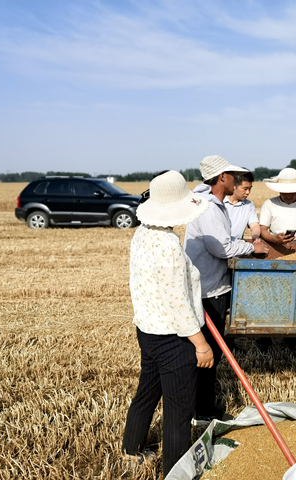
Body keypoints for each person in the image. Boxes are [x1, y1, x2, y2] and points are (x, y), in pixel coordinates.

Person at [122, 170, 213, 476]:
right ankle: (176, 471)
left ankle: (131, 451)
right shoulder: (168, 245)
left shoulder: (142, 232)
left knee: (147, 391)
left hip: (147, 330)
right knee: (179, 410)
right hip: (174, 338)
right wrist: (201, 345)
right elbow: (178, 304)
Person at [184, 155, 269, 421]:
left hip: (210, 285)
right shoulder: (208, 207)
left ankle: (200, 407)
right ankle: (202, 412)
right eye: (233, 175)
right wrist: (252, 248)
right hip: (208, 290)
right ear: (223, 178)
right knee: (208, 354)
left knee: (211, 354)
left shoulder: (210, 202)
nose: (237, 181)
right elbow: (221, 248)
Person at [259, 168, 296, 249]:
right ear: (279, 190)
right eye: (285, 192)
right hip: (274, 246)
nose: (289, 196)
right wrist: (275, 239)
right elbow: (262, 230)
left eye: (292, 192)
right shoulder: (269, 204)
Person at [224, 170, 261, 242]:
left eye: (250, 188)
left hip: (238, 247)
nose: (248, 192)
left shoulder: (249, 205)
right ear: (234, 186)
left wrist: (255, 236)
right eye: (245, 189)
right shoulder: (219, 202)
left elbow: (254, 225)